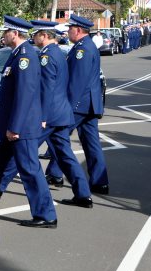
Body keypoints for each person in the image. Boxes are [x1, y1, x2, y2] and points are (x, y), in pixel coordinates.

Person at [0, 15, 57, 228]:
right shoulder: (16, 54)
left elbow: (24, 95)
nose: (3, 35)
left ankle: (46, 215)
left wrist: (15, 127)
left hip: (21, 126)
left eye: (5, 32)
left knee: (29, 170)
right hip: (7, 123)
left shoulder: (25, 57)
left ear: (15, 34)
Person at [46, 14, 109, 194]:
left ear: (79, 30)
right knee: (91, 143)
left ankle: (56, 173)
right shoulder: (85, 46)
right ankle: (99, 182)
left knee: (57, 136)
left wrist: (66, 106)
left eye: (70, 28)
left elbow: (77, 82)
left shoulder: (83, 50)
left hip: (79, 104)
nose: (68, 31)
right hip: (89, 104)